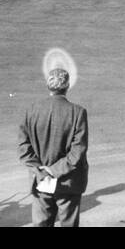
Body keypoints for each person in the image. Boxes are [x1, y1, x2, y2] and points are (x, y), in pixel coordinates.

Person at [18, 67, 89, 227]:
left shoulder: (32, 110)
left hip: (40, 180)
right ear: (67, 85)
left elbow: (23, 148)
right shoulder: (78, 112)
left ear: (48, 85)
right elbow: (77, 153)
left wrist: (41, 170)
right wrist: (53, 170)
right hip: (68, 182)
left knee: (41, 224)